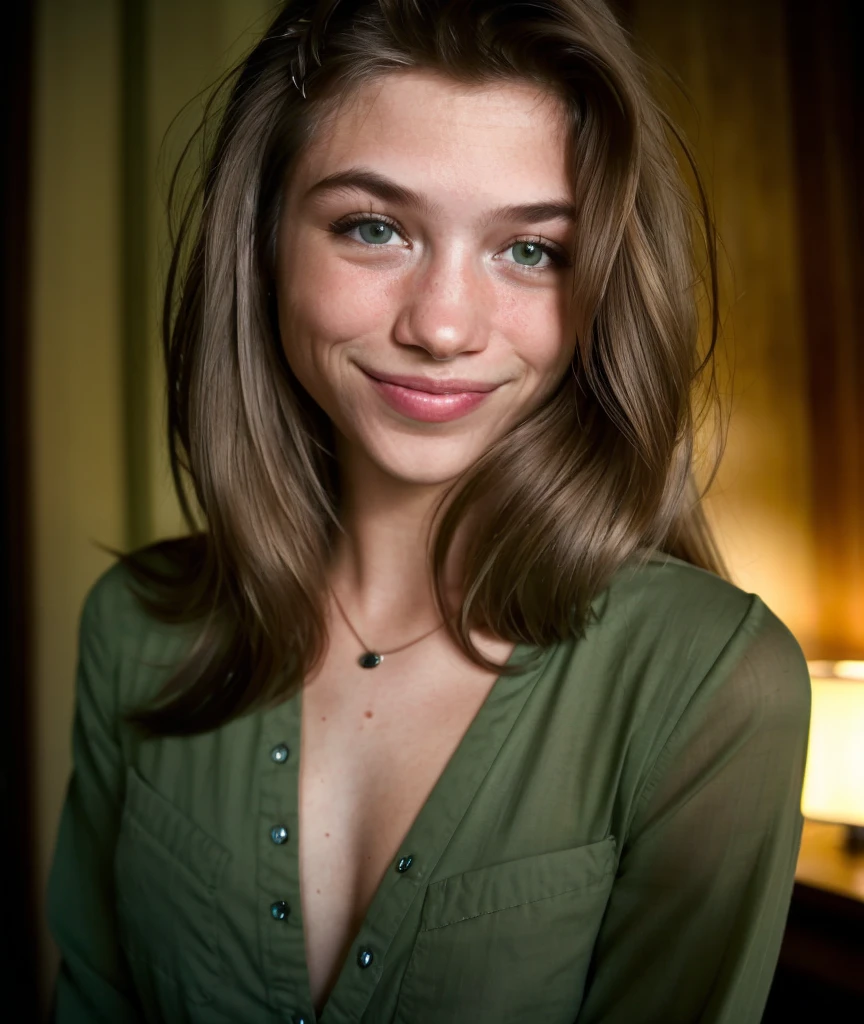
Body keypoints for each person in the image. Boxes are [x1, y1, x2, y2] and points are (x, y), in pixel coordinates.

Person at [46, 1, 812, 1022]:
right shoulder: (136, 627)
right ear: (266, 240)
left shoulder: (714, 686)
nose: (445, 325)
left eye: (531, 250)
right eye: (374, 228)